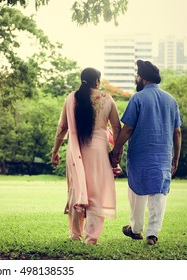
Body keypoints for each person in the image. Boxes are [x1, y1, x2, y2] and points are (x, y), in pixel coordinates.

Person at [109, 60, 182, 246]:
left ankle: (135, 229)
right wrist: (176, 158)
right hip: (163, 156)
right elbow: (177, 132)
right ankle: (152, 234)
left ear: (143, 78)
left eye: (137, 75)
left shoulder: (138, 98)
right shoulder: (171, 100)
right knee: (159, 193)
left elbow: (127, 129)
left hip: (140, 155)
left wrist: (115, 150)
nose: (136, 78)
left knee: (136, 191)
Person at [51, 67, 122, 244]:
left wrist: (55, 151)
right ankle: (91, 238)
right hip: (98, 152)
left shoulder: (71, 98)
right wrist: (116, 153)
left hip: (76, 151)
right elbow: (117, 128)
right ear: (97, 81)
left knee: (77, 190)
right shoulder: (107, 99)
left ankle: (75, 234)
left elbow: (62, 128)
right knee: (96, 193)